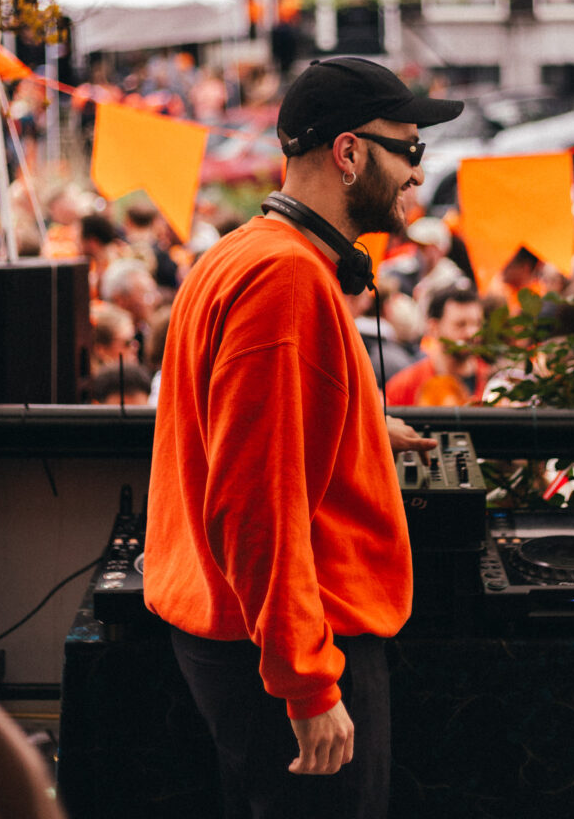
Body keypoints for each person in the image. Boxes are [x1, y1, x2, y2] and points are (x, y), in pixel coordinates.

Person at [143, 56, 463, 819]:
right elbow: (254, 501)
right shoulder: (284, 282)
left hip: (243, 633)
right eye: (408, 149)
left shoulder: (239, 253)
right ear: (349, 153)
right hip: (292, 647)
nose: (420, 172)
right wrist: (308, 684)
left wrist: (354, 421)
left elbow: (243, 428)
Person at [385, 283, 489, 406]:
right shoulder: (404, 387)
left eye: (477, 324)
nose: (471, 333)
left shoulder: (491, 382)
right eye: (460, 324)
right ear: (434, 328)